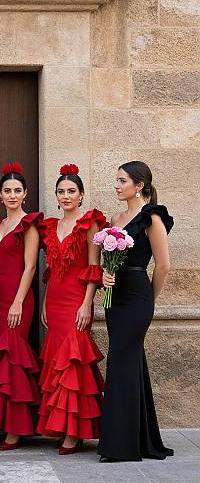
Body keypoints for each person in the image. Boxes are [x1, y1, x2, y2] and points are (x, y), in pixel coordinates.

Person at [98, 161, 174, 462]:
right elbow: (109, 260)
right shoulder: (116, 217)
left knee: (120, 363)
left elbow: (164, 265)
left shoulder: (152, 217)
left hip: (138, 298)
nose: (117, 186)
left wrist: (149, 301)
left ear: (139, 185)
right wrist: (106, 275)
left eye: (122, 180)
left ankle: (120, 446)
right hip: (115, 298)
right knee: (129, 363)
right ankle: (140, 440)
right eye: (116, 180)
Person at [37, 164, 106, 455]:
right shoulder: (51, 226)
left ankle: (75, 432)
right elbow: (51, 270)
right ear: (56, 196)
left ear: (81, 195)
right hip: (54, 299)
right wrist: (43, 301)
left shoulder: (89, 223)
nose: (66, 196)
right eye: (61, 191)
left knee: (74, 359)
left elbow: (94, 265)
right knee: (57, 360)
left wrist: (87, 303)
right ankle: (63, 426)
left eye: (71, 191)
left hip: (77, 299)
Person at [0, 162, 42, 450]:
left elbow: (30, 267)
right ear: (0, 194)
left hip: (19, 299)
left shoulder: (28, 224)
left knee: (14, 357)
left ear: (25, 193)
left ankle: (16, 429)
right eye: (8, 190)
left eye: (17, 190)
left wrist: (18, 301)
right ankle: (3, 423)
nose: (12, 195)